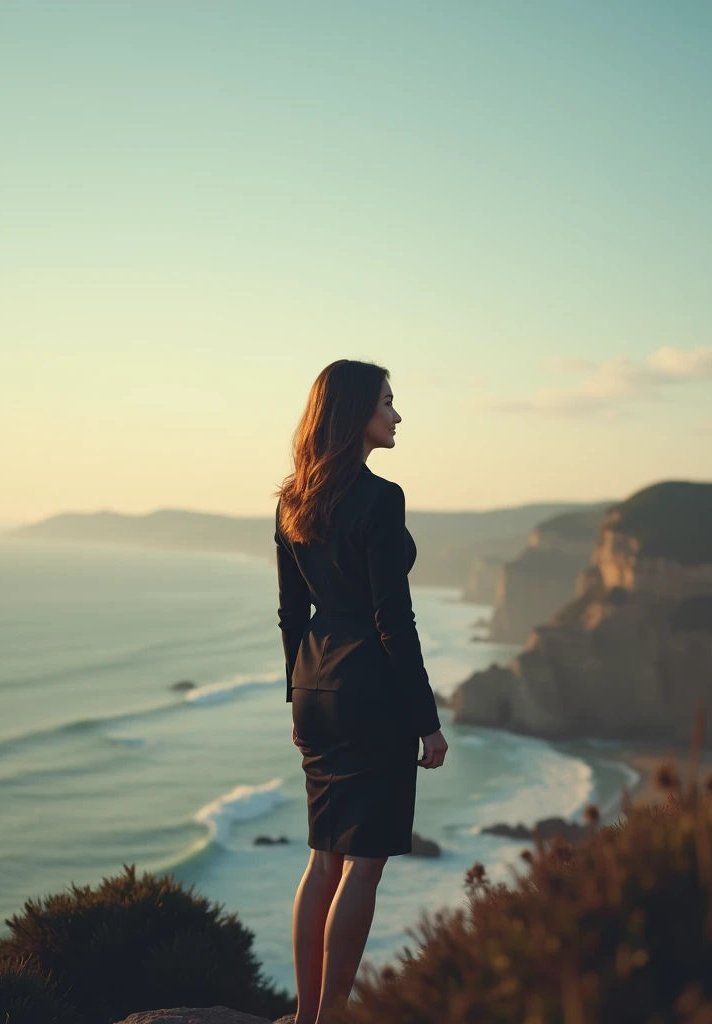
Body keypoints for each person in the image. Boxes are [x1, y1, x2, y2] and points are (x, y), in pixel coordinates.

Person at [273, 358, 449, 1024]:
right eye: (386, 403)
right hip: (371, 692)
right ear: (354, 415)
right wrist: (427, 721)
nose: (397, 415)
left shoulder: (293, 497)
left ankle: (305, 1015)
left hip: (316, 685)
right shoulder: (382, 498)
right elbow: (392, 622)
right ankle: (331, 1018)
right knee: (363, 867)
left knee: (324, 860)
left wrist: (297, 696)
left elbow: (292, 614)